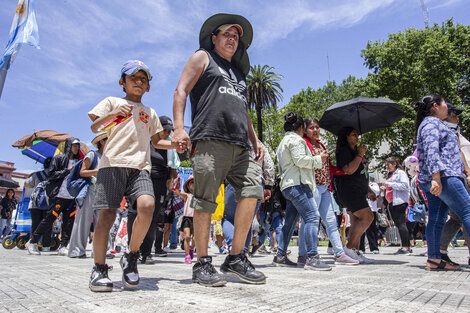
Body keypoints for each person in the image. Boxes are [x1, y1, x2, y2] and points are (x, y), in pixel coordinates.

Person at [172, 14, 265, 286]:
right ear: (214, 38)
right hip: (209, 140)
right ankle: (202, 263)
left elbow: (243, 109)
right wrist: (179, 128)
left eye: (236, 36)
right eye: (226, 34)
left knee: (253, 190)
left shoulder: (239, 73)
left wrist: (254, 138)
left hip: (240, 145)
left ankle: (236, 258)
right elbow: (181, 90)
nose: (232, 39)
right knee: (204, 201)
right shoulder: (203, 57)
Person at [87, 60, 177, 292]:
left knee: (147, 205)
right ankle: (99, 268)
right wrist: (115, 113)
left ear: (148, 87)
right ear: (122, 82)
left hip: (140, 168)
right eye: (133, 77)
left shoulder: (150, 112)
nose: (138, 82)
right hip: (112, 165)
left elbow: (158, 141)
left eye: (143, 79)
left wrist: (177, 144)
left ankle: (131, 256)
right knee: (106, 215)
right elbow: (95, 127)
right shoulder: (112, 102)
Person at [414, 94, 470, 271]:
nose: (448, 108)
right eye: (445, 103)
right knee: (467, 211)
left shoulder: (431, 124)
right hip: (445, 176)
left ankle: (434, 259)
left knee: (437, 219)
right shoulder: (431, 124)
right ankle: (434, 258)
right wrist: (436, 178)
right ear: (436, 106)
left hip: (440, 177)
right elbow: (432, 151)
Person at [273, 112, 331, 270]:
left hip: (288, 186)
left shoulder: (284, 141)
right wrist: (319, 159)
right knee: (312, 217)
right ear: (301, 128)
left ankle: (280, 256)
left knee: (290, 223)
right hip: (298, 185)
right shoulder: (296, 140)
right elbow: (300, 160)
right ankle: (312, 258)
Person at [297, 117, 359, 266]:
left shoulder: (320, 144)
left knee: (331, 221)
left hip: (325, 187)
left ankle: (339, 254)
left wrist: (341, 171)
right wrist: (319, 157)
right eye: (311, 128)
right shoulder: (303, 144)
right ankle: (302, 254)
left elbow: (327, 166)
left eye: (317, 127)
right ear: (305, 130)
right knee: (310, 220)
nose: (315, 130)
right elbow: (304, 162)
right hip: (313, 187)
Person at [126, 115, 178, 264]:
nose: (167, 134)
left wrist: (172, 179)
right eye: (164, 130)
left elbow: (173, 167)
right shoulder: (145, 141)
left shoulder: (169, 146)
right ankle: (132, 250)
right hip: (142, 179)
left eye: (169, 131)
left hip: (160, 184)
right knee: (135, 213)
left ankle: (146, 252)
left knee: (153, 218)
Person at [26, 137, 81, 256]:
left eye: (78, 146)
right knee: (50, 218)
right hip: (58, 194)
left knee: (69, 221)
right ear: (69, 146)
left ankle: (63, 246)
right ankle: (32, 241)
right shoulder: (59, 159)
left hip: (71, 196)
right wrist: (67, 171)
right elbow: (51, 174)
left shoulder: (78, 162)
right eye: (74, 145)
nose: (76, 148)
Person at [334, 127, 374, 264]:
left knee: (356, 220)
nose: (356, 137)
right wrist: (360, 155)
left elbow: (361, 173)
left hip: (359, 190)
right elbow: (348, 169)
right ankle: (349, 248)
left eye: (357, 134)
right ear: (346, 137)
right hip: (350, 191)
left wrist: (368, 189)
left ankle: (355, 252)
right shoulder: (344, 151)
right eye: (353, 135)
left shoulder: (356, 151)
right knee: (368, 216)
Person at [68, 131, 108, 258]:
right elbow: (82, 172)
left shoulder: (108, 157)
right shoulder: (92, 155)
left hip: (103, 191)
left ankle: (100, 251)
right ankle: (76, 250)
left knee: (102, 223)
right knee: (83, 221)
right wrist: (98, 171)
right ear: (101, 142)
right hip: (90, 190)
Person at [439, 102, 470, 266]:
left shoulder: (453, 130)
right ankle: (438, 251)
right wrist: (467, 172)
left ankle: (439, 250)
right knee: (466, 213)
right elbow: (458, 152)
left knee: (458, 217)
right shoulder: (447, 130)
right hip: (453, 176)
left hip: (454, 176)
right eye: (454, 114)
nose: (457, 118)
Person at [380, 157, 411, 255]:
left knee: (401, 224)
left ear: (395, 164)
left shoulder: (400, 173)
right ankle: (405, 245)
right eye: (386, 165)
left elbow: (405, 185)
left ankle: (406, 247)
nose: (387, 166)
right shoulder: (390, 175)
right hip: (391, 202)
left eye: (389, 164)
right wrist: (385, 187)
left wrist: (389, 184)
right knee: (398, 224)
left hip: (399, 202)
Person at [25, 157, 52, 250]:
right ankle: (46, 245)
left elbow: (26, 184)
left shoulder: (37, 175)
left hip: (35, 203)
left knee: (35, 224)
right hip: (49, 203)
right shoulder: (56, 175)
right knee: (47, 224)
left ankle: (33, 244)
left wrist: (30, 176)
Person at [175, 176, 195, 263]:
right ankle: (187, 255)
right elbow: (178, 193)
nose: (194, 185)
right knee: (187, 236)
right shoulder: (187, 195)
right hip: (187, 218)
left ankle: (191, 248)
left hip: (197, 219)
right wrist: (177, 185)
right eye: (192, 183)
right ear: (188, 185)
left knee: (195, 238)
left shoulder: (199, 197)